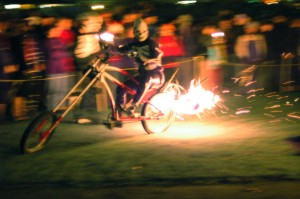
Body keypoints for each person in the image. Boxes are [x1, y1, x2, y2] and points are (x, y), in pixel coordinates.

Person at [115, 18, 164, 117]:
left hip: (156, 76)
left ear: (147, 31)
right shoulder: (133, 44)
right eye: (138, 32)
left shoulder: (152, 43)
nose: (141, 34)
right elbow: (120, 50)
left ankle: (133, 106)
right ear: (134, 32)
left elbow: (158, 55)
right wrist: (109, 48)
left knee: (145, 81)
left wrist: (150, 61)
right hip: (142, 75)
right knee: (122, 86)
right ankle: (120, 108)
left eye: (143, 31)